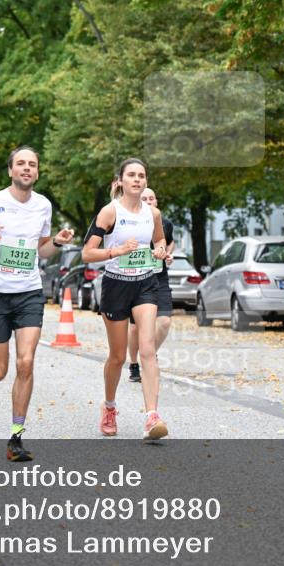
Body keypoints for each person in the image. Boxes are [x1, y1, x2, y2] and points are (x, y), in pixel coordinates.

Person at [0, 147, 74, 461]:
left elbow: (42, 252)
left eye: (32, 165)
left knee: (26, 363)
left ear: (37, 173)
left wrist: (58, 242)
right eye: (21, 164)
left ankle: (15, 439)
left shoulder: (43, 206)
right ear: (11, 170)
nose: (27, 169)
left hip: (28, 294)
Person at [81, 158, 169, 440]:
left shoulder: (152, 214)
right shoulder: (110, 212)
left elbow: (160, 241)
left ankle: (152, 417)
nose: (137, 179)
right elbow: (87, 253)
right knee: (118, 356)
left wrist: (159, 251)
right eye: (131, 175)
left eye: (141, 175)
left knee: (147, 349)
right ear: (120, 180)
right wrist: (116, 251)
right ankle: (109, 407)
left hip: (145, 284)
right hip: (116, 285)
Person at [127, 187, 175, 382]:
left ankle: (148, 354)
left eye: (151, 198)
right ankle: (134, 364)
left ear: (156, 202)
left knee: (164, 322)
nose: (148, 201)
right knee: (135, 328)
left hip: (158, 277)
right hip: (135, 278)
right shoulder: (129, 221)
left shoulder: (165, 223)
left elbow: (168, 243)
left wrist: (168, 254)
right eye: (144, 198)